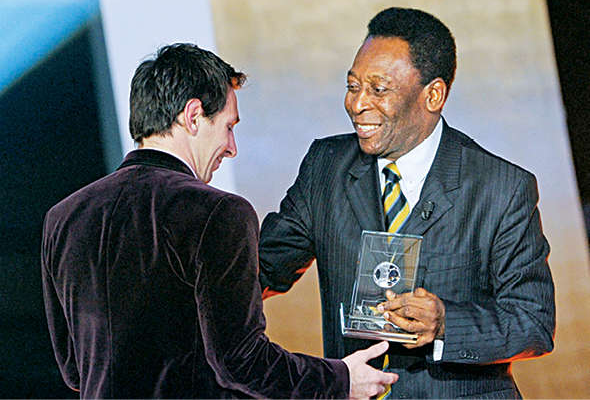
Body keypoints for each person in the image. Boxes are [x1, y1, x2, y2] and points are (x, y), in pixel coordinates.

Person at [41, 43, 398, 399]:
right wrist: (339, 380)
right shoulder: (218, 213)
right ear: (193, 115)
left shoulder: (62, 218)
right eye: (228, 127)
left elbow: (74, 367)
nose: (231, 147)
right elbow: (243, 362)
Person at [258, 7, 555, 399]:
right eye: (352, 86)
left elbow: (533, 322)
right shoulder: (325, 167)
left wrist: (445, 324)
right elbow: (260, 269)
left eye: (378, 90)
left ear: (433, 95)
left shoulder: (502, 188)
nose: (357, 104)